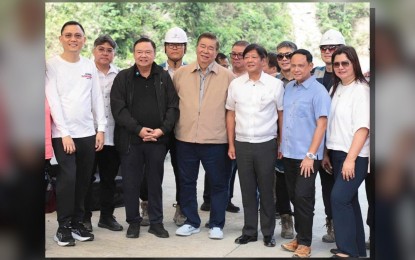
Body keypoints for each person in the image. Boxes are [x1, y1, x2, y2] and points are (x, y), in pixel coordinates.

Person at [110, 37, 179, 239]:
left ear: (154, 54)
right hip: (131, 140)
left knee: (155, 181)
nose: (143, 55)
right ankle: (133, 222)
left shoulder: (163, 77)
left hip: (157, 140)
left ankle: (156, 222)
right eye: (139, 51)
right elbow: (118, 109)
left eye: (147, 52)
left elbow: (173, 107)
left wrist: (161, 130)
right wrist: (138, 129)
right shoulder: (123, 77)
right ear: (134, 53)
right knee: (131, 182)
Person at [45, 21, 106, 246]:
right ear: (61, 38)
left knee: (83, 180)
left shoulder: (89, 66)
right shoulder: (52, 65)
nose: (73, 39)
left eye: (78, 35)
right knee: (67, 180)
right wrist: (64, 133)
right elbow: (53, 101)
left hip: (87, 133)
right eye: (68, 35)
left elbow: (96, 98)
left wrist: (100, 129)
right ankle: (63, 226)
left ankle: (78, 222)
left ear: (84, 39)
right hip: (63, 135)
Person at [174, 32, 235, 240]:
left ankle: (217, 224)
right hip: (185, 139)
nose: (206, 51)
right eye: (202, 46)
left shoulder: (227, 77)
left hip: (216, 141)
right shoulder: (181, 74)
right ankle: (191, 221)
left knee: (219, 183)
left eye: (211, 48)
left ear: (216, 52)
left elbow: (232, 110)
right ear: (196, 48)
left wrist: (231, 141)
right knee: (187, 182)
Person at [226, 43, 284, 247]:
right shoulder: (236, 85)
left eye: (253, 57)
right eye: (246, 57)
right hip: (242, 144)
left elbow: (280, 114)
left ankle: (268, 233)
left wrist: (280, 142)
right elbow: (230, 114)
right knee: (247, 189)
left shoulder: (275, 85)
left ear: (263, 60)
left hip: (266, 143)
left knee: (267, 189)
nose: (249, 60)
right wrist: (231, 144)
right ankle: (249, 231)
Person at [280, 49, 331, 258]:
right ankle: (299, 238)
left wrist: (311, 155)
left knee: (303, 197)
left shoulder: (318, 92)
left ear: (310, 66)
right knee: (294, 197)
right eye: (293, 65)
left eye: (301, 65)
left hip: (307, 157)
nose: (296, 69)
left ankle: (306, 244)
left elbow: (322, 125)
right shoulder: (289, 88)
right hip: (289, 154)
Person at [322, 46, 370, 258]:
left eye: (345, 63)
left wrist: (351, 159)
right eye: (337, 63)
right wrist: (325, 153)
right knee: (349, 201)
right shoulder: (336, 87)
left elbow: (363, 128)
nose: (340, 67)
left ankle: (347, 251)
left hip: (356, 155)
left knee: (339, 199)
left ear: (354, 64)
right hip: (337, 152)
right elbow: (329, 124)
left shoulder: (361, 89)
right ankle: (357, 249)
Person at [139, 27, 189, 227]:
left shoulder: (191, 71)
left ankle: (182, 206)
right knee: (150, 170)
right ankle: (147, 204)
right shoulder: (154, 71)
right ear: (165, 48)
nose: (175, 48)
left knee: (183, 171)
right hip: (158, 129)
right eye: (171, 45)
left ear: (185, 48)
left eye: (179, 45)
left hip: (182, 129)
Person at [200, 40, 249, 216]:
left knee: (232, 169)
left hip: (244, 132)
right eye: (233, 54)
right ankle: (208, 200)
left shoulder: (252, 77)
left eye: (240, 55)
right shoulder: (223, 74)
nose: (236, 58)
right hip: (220, 130)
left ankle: (226, 199)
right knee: (215, 168)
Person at [83, 35, 123, 233]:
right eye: (101, 49)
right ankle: (84, 217)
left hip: (113, 135)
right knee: (87, 178)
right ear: (93, 50)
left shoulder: (121, 75)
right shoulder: (85, 72)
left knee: (109, 178)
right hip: (88, 134)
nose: (105, 53)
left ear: (114, 54)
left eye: (109, 50)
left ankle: (107, 216)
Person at [312, 29, 346, 243]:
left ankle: (347, 228)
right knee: (327, 187)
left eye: (332, 48)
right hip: (320, 142)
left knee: (342, 190)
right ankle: (332, 224)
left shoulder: (348, 74)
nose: (327, 51)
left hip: (342, 141)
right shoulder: (315, 73)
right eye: (324, 48)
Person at [274, 40, 298, 239]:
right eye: (280, 55)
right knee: (280, 182)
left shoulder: (306, 80)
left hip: (302, 141)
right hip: (278, 140)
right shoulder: (272, 81)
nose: (284, 59)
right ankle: (286, 220)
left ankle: (303, 221)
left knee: (302, 186)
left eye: (288, 55)